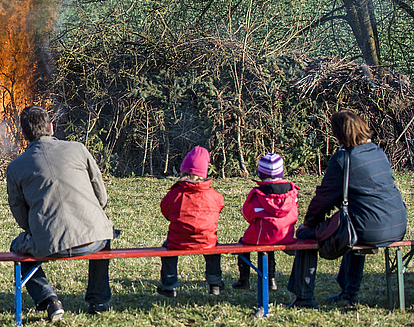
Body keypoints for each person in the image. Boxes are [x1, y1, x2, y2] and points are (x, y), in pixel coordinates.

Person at [287, 110, 407, 308]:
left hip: (369, 229)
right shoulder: (378, 152)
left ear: (339, 135)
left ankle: (304, 297)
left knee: (307, 236)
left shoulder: (343, 160)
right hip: (397, 225)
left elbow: (323, 199)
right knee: (353, 223)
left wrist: (308, 223)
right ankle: (349, 292)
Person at [6, 106, 116, 322]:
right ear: (51, 127)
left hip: (49, 244)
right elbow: (101, 196)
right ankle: (98, 299)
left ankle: (49, 300)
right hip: (94, 239)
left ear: (23, 134)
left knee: (16, 248)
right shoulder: (79, 149)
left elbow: (19, 212)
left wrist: (38, 230)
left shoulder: (15, 167)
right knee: (104, 233)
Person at [157, 146, 225, 297]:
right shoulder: (214, 195)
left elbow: (165, 210)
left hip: (178, 241)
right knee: (214, 249)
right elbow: (220, 205)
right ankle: (215, 283)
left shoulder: (175, 193)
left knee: (167, 250)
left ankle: (169, 284)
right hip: (206, 241)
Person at [232, 153, 299, 291]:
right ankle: (271, 279)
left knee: (246, 241)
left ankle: (244, 280)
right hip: (286, 236)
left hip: (263, 236)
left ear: (260, 174)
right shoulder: (292, 192)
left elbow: (247, 215)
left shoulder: (258, 194)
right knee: (268, 241)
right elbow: (295, 214)